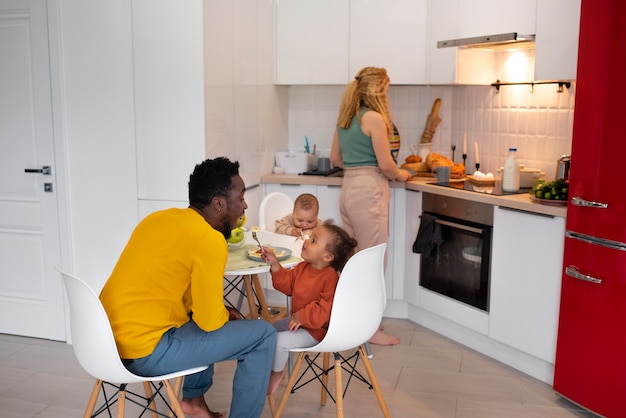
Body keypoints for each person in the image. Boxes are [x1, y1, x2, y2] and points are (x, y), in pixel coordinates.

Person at [99, 157, 277, 418]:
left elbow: (171, 290)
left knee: (199, 316)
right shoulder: (209, 239)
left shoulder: (157, 219)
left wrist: (218, 310)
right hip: (144, 353)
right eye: (240, 197)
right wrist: (220, 312)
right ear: (218, 203)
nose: (245, 205)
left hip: (105, 344)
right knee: (263, 334)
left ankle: (193, 402)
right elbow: (210, 323)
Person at [330, 66, 412, 346]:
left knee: (352, 259)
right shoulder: (375, 118)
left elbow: (335, 159)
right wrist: (402, 174)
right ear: (379, 90)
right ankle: (371, 329)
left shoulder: (345, 118)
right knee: (373, 261)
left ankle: (354, 321)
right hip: (369, 188)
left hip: (348, 188)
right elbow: (387, 165)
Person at [262, 223, 358, 395]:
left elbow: (325, 311)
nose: (306, 241)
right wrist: (275, 264)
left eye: (313, 240)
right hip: (298, 323)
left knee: (280, 342)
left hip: (316, 331)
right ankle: (271, 364)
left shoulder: (330, 279)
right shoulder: (303, 267)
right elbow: (288, 284)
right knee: (268, 331)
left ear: (327, 257)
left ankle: (277, 373)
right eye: (309, 237)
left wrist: (302, 316)